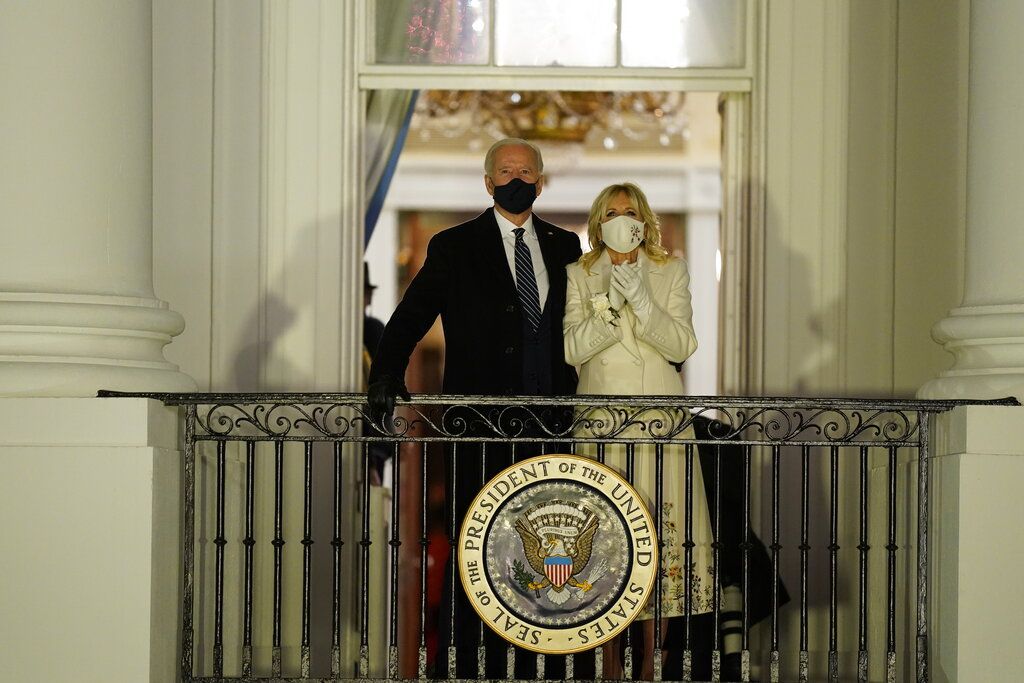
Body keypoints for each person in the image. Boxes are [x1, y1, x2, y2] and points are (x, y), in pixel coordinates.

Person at [366, 138, 583, 678]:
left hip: (550, 428)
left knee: (550, 547)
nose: (517, 178)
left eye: (527, 170)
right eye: (506, 171)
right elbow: (412, 315)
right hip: (479, 429)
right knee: (481, 544)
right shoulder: (455, 246)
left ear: (541, 179)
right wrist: (387, 373)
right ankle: (468, 664)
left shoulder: (566, 245)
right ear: (488, 182)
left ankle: (545, 663)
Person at [563, 182, 716, 680]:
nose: (622, 219)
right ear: (597, 220)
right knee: (606, 544)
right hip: (603, 427)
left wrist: (644, 302)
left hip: (660, 429)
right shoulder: (579, 274)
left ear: (644, 218)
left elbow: (682, 344)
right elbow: (572, 351)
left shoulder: (671, 270)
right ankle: (609, 668)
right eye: (612, 211)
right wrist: (608, 303)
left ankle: (651, 667)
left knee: (663, 544)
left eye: (630, 211)